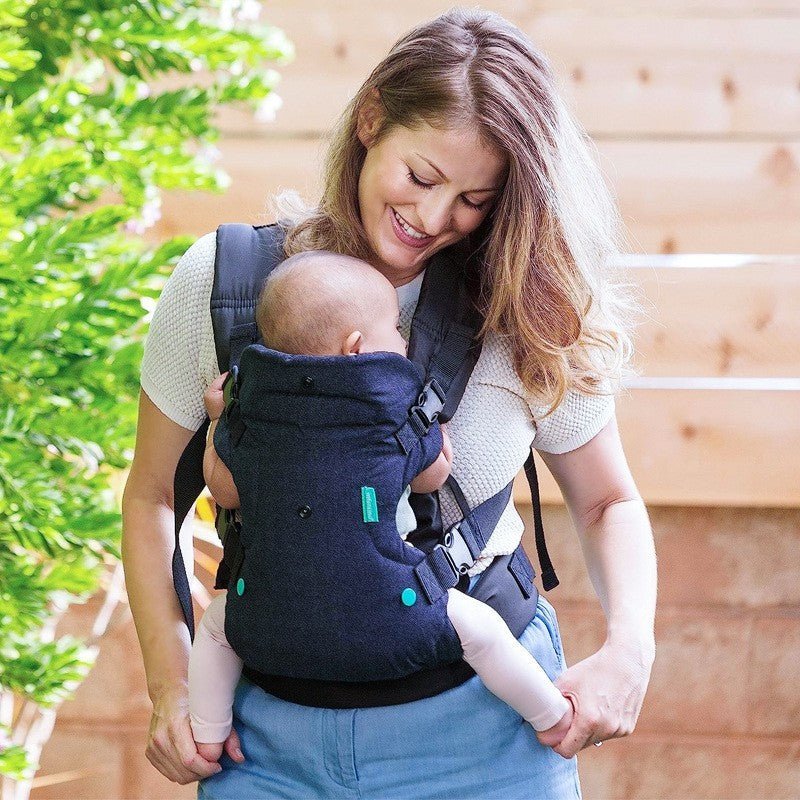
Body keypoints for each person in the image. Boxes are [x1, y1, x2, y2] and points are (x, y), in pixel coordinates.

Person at [122, 8, 656, 798]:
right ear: (372, 119)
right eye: (422, 177)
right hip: (264, 742)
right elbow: (150, 496)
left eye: (475, 197)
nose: (436, 220)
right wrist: (172, 685)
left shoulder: (526, 302)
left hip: (486, 733)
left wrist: (630, 649)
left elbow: (609, 500)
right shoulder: (229, 285)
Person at [188, 251, 573, 761]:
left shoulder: (251, 413)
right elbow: (432, 477)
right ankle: (551, 717)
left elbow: (225, 490)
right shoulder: (390, 412)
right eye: (395, 328)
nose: (404, 341)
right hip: (394, 609)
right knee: (482, 634)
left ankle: (208, 735)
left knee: (216, 628)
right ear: (356, 349)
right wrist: (435, 431)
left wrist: (218, 422)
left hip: (268, 620)